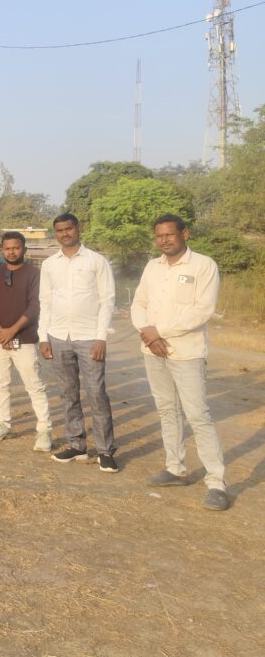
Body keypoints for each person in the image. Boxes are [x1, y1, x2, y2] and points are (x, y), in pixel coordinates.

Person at [132, 214, 228, 511]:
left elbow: (202, 310)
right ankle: (175, 469)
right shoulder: (152, 267)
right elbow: (139, 304)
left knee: (198, 415)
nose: (164, 240)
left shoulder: (203, 266)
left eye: (169, 235)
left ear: (184, 234)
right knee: (167, 410)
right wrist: (147, 333)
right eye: (159, 236)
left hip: (186, 352)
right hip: (153, 350)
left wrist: (158, 331)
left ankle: (216, 483)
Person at [39, 213, 118, 472]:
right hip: (58, 335)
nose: (65, 234)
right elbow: (45, 301)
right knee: (68, 393)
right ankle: (76, 445)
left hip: (89, 337)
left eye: (69, 229)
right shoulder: (50, 264)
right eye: (60, 230)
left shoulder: (96, 261)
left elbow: (107, 300)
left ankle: (105, 450)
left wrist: (101, 337)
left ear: (78, 229)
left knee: (96, 393)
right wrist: (43, 337)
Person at [0, 231, 53, 449]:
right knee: (0, 384)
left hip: (25, 339)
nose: (11, 252)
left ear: (24, 249)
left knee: (34, 385)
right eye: (7, 248)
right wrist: (0, 331)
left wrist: (12, 330)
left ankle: (44, 431)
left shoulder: (34, 274)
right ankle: (3, 423)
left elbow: (35, 306)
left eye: (16, 247)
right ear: (2, 250)